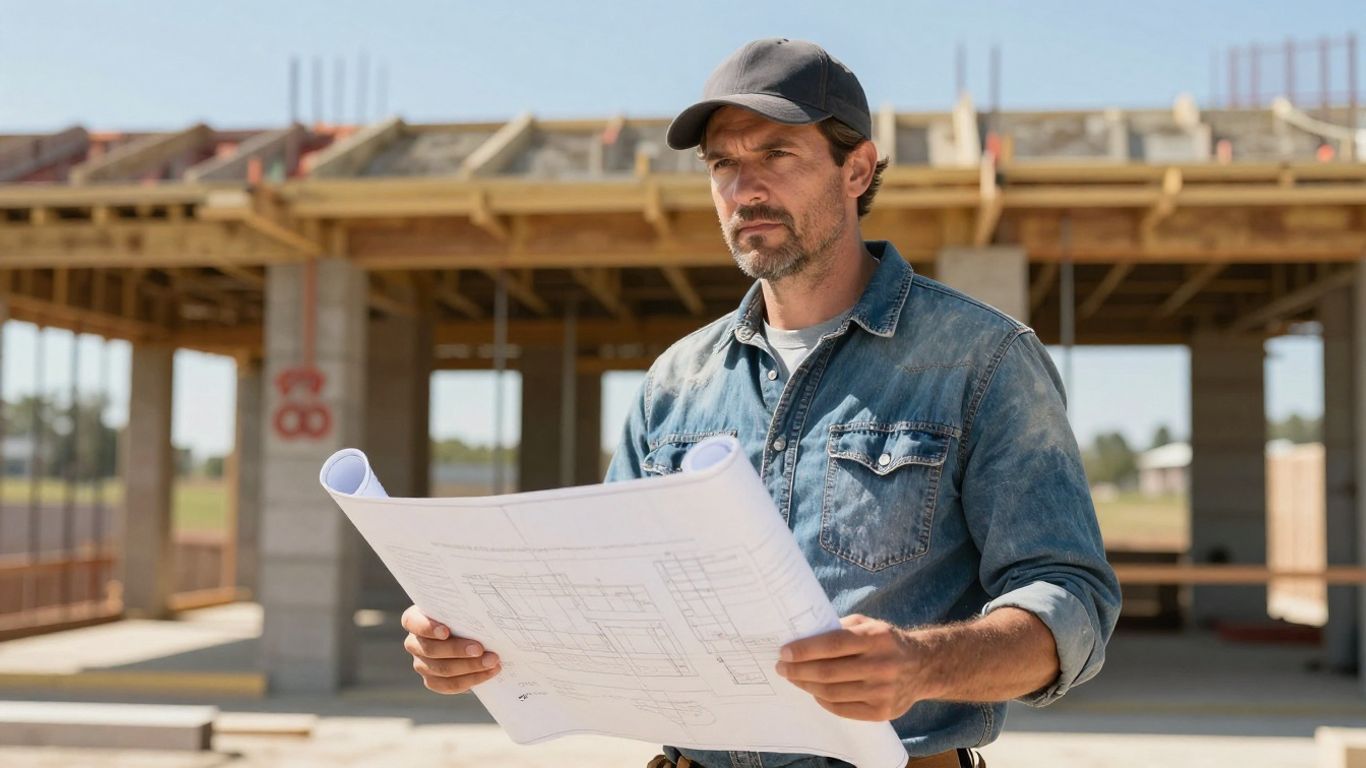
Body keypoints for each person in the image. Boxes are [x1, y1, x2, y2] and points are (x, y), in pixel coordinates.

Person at [401, 38, 1121, 768]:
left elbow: (1072, 603)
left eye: (777, 155)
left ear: (858, 169)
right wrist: (484, 646)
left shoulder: (983, 360)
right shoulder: (674, 384)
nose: (744, 189)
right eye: (722, 163)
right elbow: (608, 600)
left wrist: (920, 665)